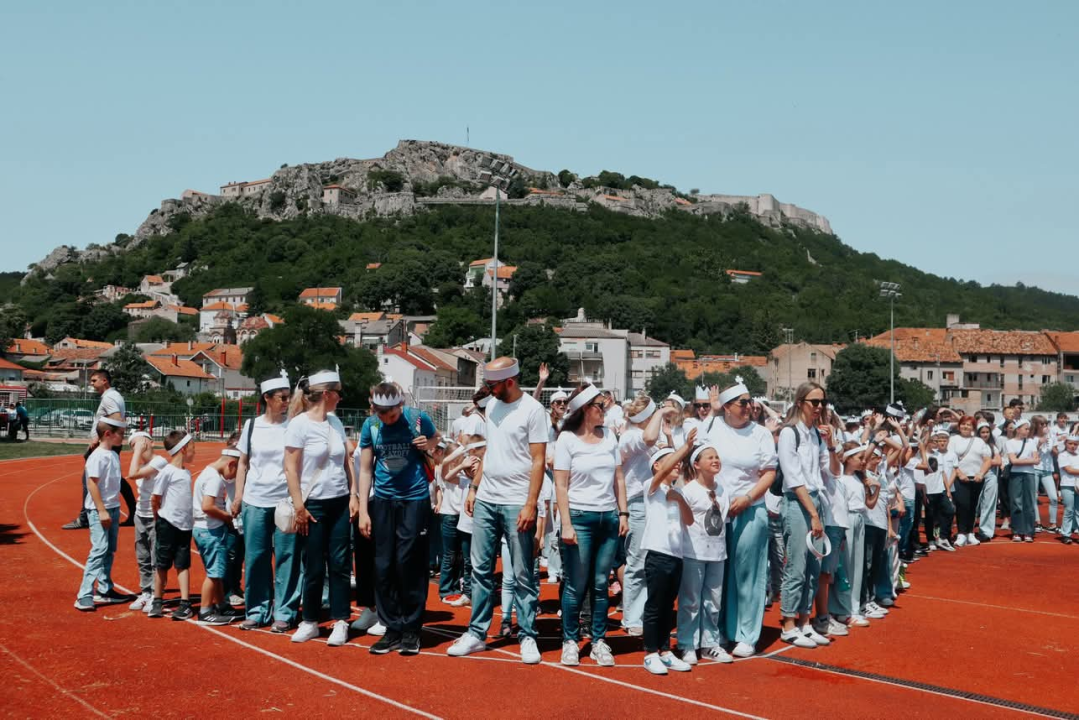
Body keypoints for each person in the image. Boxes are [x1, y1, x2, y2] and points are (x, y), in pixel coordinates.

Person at [447, 357, 547, 665]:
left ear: (510, 382)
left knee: (522, 573)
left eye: (491, 385)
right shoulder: (492, 406)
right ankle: (477, 633)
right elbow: (489, 452)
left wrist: (531, 503)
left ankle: (527, 635)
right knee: (480, 570)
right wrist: (476, 488)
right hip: (488, 498)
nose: (487, 390)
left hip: (517, 500)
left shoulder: (533, 410)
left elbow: (538, 460)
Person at [356, 382, 440, 656]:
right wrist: (364, 510)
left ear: (400, 406)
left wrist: (427, 444)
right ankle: (391, 628)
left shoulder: (417, 418)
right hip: (383, 501)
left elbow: (436, 443)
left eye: (390, 414)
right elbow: (366, 469)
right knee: (383, 565)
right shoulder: (371, 426)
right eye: (380, 413)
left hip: (414, 500)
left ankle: (412, 628)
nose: (386, 418)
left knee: (410, 564)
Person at [554, 383, 628, 667]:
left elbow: (618, 478)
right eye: (600, 406)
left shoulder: (609, 436)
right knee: (576, 584)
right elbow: (561, 485)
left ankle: (599, 641)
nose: (605, 410)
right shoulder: (567, 440)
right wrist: (567, 524)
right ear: (586, 409)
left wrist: (623, 513)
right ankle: (570, 641)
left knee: (600, 585)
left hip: (608, 518)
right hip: (580, 518)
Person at [703, 379, 777, 658]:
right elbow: (696, 454)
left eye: (750, 402)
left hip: (751, 507)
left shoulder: (761, 434)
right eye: (742, 403)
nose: (749, 407)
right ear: (726, 407)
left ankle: (746, 634)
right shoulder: (713, 427)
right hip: (716, 510)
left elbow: (769, 472)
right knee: (717, 573)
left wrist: (747, 498)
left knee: (748, 573)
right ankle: (719, 629)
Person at [285, 369, 355, 647]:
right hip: (312, 503)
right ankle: (310, 621)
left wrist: (354, 495)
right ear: (326, 394)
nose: (340, 397)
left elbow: (347, 460)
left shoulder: (336, 423)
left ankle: (340, 621)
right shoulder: (299, 425)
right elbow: (290, 467)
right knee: (313, 565)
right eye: (337, 392)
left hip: (339, 501)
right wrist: (299, 505)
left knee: (339, 564)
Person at [231, 373, 303, 632]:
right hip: (255, 500)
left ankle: (284, 611)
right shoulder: (252, 427)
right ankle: (257, 610)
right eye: (282, 398)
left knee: (287, 557)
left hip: (284, 501)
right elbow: (242, 463)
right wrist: (238, 496)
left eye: (288, 397)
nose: (286, 402)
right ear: (267, 398)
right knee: (256, 557)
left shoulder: (293, 426)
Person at [777, 382, 840, 648]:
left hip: (816, 499)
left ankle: (804, 620)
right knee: (797, 566)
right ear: (800, 402)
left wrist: (833, 445)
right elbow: (793, 478)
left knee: (814, 567)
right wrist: (813, 514)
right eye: (814, 402)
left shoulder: (816, 434)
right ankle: (788, 622)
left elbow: (833, 471)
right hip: (798, 501)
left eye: (822, 402)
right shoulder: (789, 433)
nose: (819, 407)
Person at [617, 394, 677, 636]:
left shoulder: (651, 436)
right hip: (637, 502)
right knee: (638, 561)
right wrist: (662, 412)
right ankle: (632, 617)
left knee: (655, 560)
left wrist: (669, 435)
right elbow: (649, 437)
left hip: (656, 499)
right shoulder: (631, 436)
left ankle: (647, 612)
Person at [641, 435, 696, 675]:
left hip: (677, 556)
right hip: (657, 554)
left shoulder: (677, 491)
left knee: (667, 606)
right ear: (657, 465)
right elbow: (663, 470)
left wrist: (679, 500)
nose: (678, 465)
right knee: (655, 604)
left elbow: (690, 520)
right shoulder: (650, 487)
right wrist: (685, 448)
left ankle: (664, 650)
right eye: (672, 461)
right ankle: (650, 652)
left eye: (679, 462)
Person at [675, 441, 731, 664]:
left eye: (717, 456)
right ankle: (687, 643)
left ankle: (709, 643)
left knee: (713, 601)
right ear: (696, 464)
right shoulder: (688, 491)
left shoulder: (723, 488)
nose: (715, 460)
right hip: (693, 553)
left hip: (718, 553)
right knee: (691, 600)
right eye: (710, 457)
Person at [64, 369, 136, 530]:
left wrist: (99, 437)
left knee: (88, 479)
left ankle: (84, 519)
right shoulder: (114, 395)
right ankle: (134, 513)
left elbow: (117, 418)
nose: (91, 384)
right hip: (111, 443)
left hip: (105, 444)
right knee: (117, 479)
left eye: (94, 380)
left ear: (104, 381)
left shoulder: (109, 397)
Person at [73, 417, 131, 611]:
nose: (123, 437)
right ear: (108, 434)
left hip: (112, 508)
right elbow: (92, 484)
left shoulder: (112, 454)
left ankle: (105, 590)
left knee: (108, 550)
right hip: (100, 510)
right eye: (120, 434)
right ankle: (84, 594)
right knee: (99, 549)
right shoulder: (97, 456)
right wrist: (102, 510)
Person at [148, 431, 197, 620]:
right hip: (167, 524)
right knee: (162, 563)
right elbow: (155, 498)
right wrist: (159, 518)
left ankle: (185, 604)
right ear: (183, 449)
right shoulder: (167, 472)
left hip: (184, 526)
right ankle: (157, 601)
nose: (195, 452)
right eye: (193, 448)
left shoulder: (186, 472)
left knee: (183, 563)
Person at [192, 448, 241, 625]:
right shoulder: (214, 479)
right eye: (236, 472)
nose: (234, 477)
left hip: (203, 529)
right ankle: (205, 611)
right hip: (210, 531)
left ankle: (221, 604)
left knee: (217, 571)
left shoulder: (207, 473)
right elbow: (207, 506)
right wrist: (227, 517)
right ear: (231, 464)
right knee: (214, 573)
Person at [125, 431, 164, 612]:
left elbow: (132, 474)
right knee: (142, 557)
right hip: (140, 515)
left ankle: (156, 595)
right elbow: (134, 472)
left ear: (152, 443)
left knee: (156, 558)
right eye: (133, 445)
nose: (138, 448)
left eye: (142, 444)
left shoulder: (160, 462)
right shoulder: (140, 465)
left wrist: (137, 451)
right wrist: (137, 451)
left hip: (156, 515)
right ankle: (146, 592)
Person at [948, 416, 993, 547]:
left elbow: (987, 460)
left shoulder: (979, 442)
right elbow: (951, 459)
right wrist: (960, 474)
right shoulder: (953, 440)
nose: (965, 427)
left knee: (973, 506)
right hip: (960, 478)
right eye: (963, 424)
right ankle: (961, 533)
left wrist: (981, 473)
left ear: (973, 427)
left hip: (977, 478)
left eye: (968, 425)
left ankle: (970, 533)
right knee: (963, 505)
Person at [1006, 418, 1041, 543]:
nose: (1027, 431)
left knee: (1029, 503)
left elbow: (1037, 459)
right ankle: (1017, 531)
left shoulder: (1031, 442)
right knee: (1016, 502)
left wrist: (1023, 461)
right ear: (1018, 429)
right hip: (1015, 474)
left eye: (1028, 429)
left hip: (1029, 474)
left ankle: (1028, 531)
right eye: (1025, 428)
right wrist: (1030, 461)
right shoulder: (1010, 443)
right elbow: (1013, 461)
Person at [1057, 435, 1079, 544]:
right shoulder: (1062, 455)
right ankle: (1066, 533)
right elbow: (1069, 470)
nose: (1073, 446)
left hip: (1078, 485)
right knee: (1069, 510)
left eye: (1075, 444)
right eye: (1070, 443)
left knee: (1078, 510)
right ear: (1066, 444)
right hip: (1067, 485)